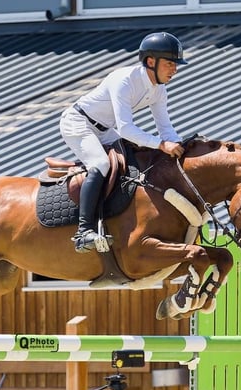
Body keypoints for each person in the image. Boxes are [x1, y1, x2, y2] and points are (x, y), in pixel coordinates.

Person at [60, 31, 188, 253]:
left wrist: (181, 148)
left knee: (132, 161)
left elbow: (165, 128)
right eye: (170, 63)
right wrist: (160, 145)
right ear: (151, 61)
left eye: (175, 64)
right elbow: (126, 128)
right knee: (101, 164)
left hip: (104, 129)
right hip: (78, 123)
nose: (175, 69)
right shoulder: (124, 80)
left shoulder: (159, 90)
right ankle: (83, 232)